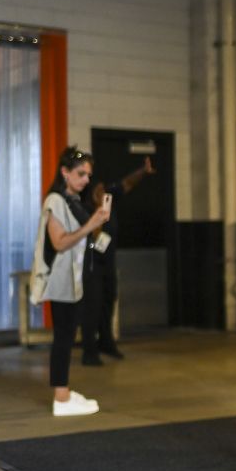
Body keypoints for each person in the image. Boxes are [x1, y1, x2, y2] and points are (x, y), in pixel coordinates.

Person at [33, 146, 111, 416]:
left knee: (67, 334)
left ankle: (63, 391)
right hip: (61, 278)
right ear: (65, 172)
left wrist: (96, 222)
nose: (86, 180)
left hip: (75, 277)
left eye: (89, 175)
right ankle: (61, 397)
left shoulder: (73, 200)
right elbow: (60, 242)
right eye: (80, 174)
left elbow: (83, 238)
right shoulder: (55, 200)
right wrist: (92, 224)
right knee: (64, 336)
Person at [79, 156, 157, 364]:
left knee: (108, 301)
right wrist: (98, 214)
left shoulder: (109, 198)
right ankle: (89, 351)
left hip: (108, 261)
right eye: (98, 191)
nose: (103, 194)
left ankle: (107, 342)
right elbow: (94, 240)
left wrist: (143, 171)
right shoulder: (85, 209)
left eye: (104, 190)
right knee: (92, 306)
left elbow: (127, 183)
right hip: (91, 263)